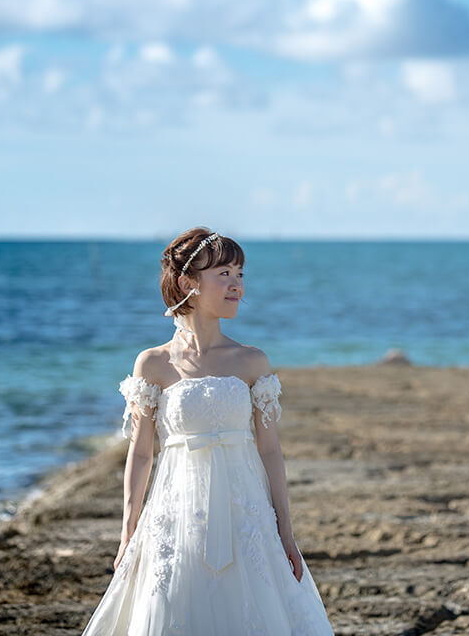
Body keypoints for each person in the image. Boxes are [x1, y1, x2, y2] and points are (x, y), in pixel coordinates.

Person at [81, 227, 333, 635]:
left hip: (245, 515)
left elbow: (270, 451)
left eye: (240, 274)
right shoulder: (153, 364)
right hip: (177, 514)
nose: (237, 285)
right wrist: (127, 535)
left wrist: (285, 530)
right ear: (188, 282)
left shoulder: (252, 361)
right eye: (224, 274)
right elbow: (142, 453)